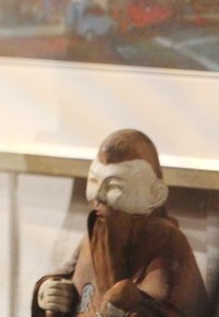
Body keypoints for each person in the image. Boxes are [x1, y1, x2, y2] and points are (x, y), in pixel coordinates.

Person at [32, 129, 208, 317]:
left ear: (155, 194)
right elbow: (71, 276)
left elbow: (171, 309)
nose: (98, 196)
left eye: (113, 186)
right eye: (93, 182)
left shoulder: (166, 241)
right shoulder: (98, 228)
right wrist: (48, 291)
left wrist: (128, 306)